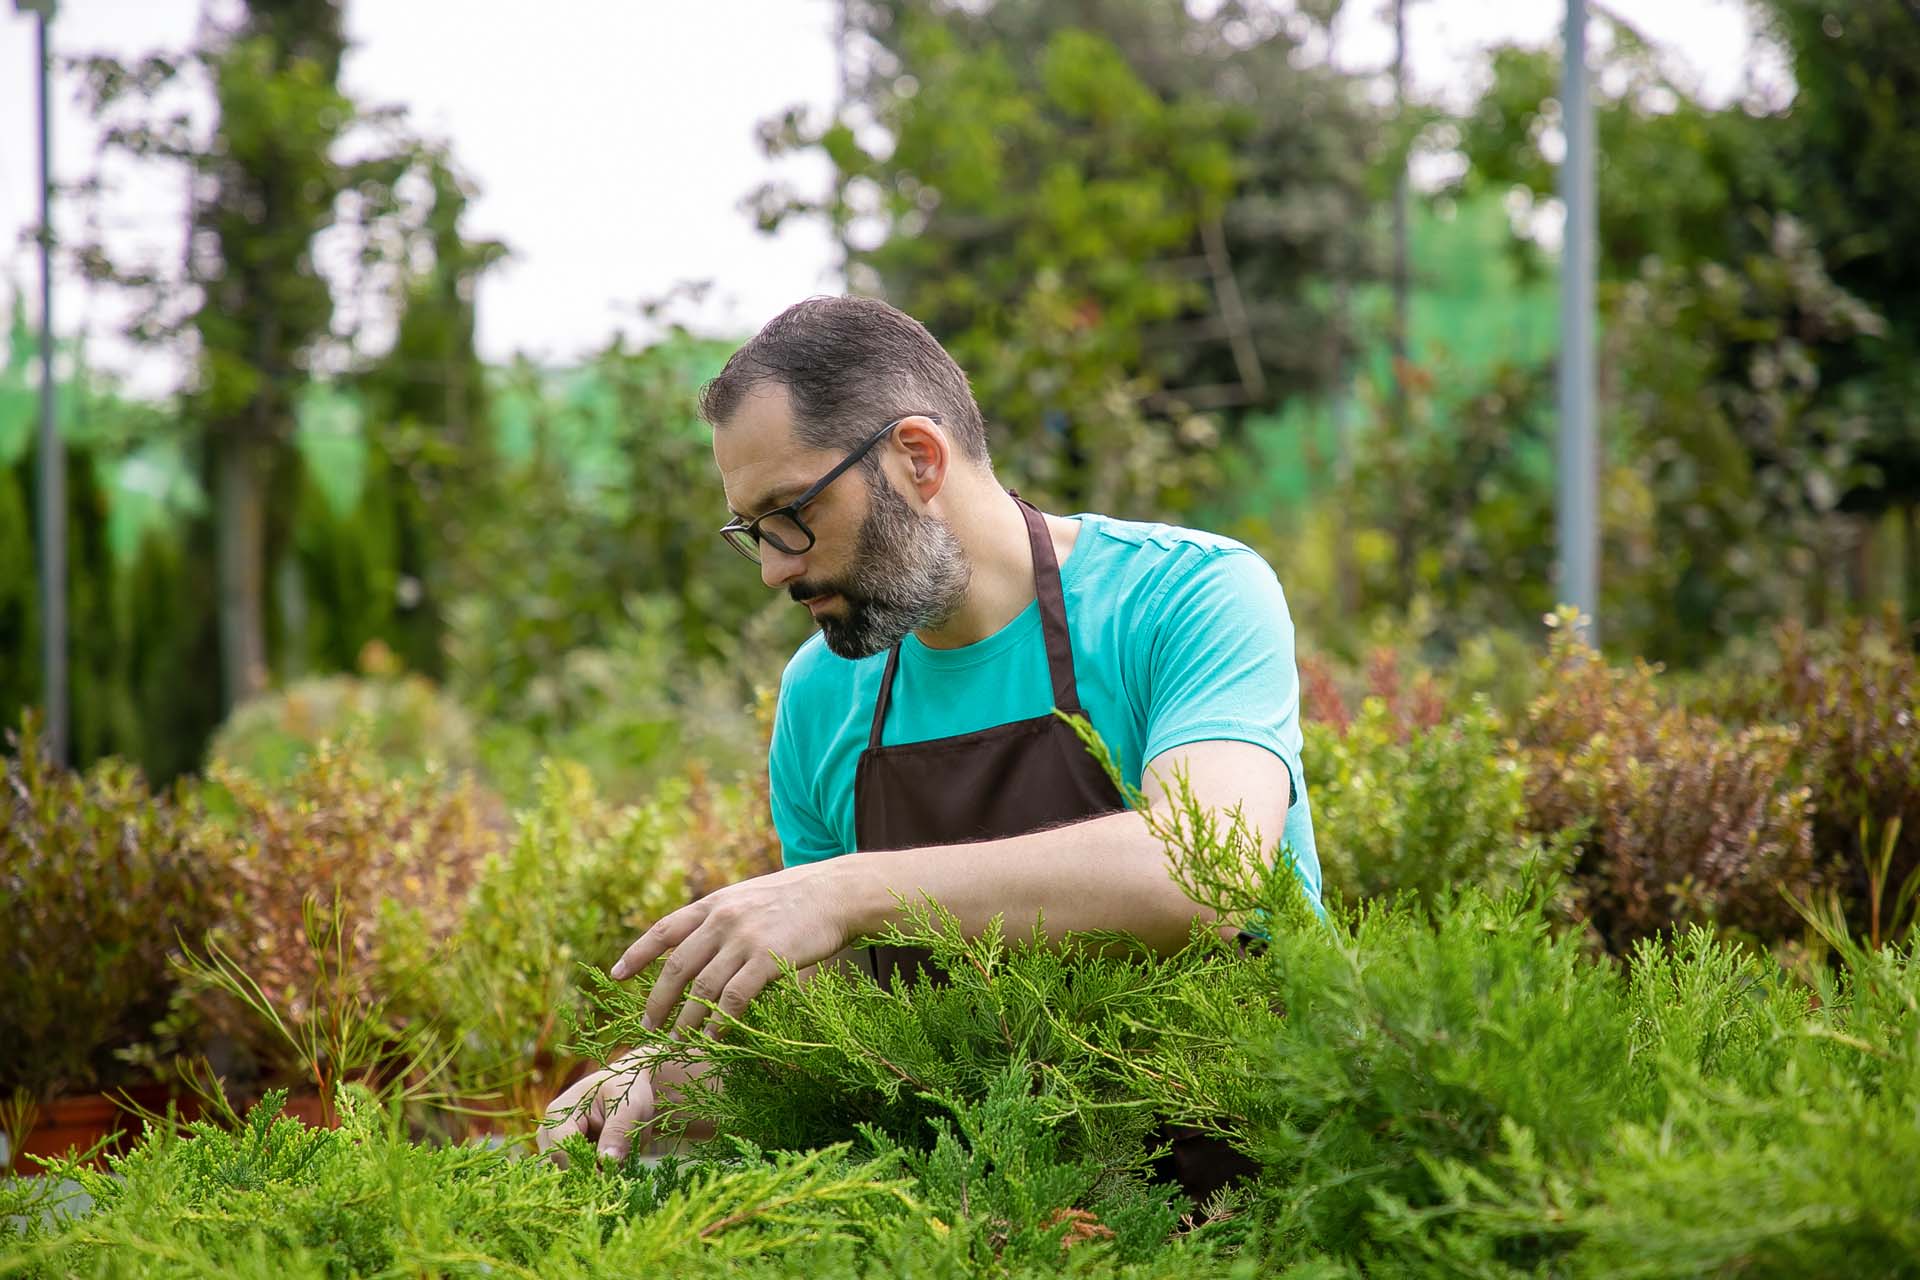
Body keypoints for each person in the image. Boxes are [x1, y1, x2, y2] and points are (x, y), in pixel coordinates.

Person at [538, 295, 1321, 1173]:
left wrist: (849, 890)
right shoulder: (821, 698)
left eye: (790, 512)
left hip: (1258, 1182)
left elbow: (1202, 874)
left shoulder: (1188, 598)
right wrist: (671, 1077)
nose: (774, 569)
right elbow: (838, 1015)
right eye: (751, 531)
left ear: (917, 457)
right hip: (982, 1209)